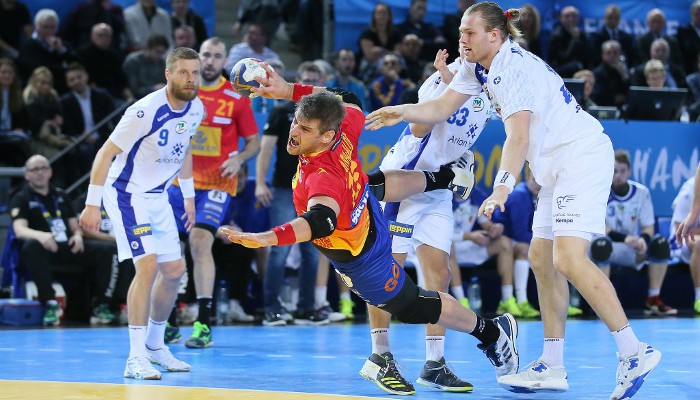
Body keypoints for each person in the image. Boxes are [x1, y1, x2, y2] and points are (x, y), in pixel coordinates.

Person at [365, 3, 660, 398]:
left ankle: (633, 351)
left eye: (470, 33)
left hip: (580, 155)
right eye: (460, 33)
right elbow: (440, 107)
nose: (461, 40)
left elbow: (516, 137)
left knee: (568, 257)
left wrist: (502, 187)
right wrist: (399, 111)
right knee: (540, 257)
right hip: (553, 166)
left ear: (494, 35)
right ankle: (552, 366)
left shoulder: (512, 67)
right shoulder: (474, 67)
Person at [226, 62, 519, 396]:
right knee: (370, 184)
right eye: (296, 121)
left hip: (363, 258)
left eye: (304, 128)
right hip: (364, 210)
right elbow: (347, 98)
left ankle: (491, 334)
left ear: (325, 136)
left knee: (415, 305)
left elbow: (320, 219)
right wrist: (287, 90)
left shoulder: (321, 178)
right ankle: (447, 178)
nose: (294, 132)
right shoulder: (344, 130)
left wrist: (268, 237)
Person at [367, 45, 492, 393]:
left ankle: (434, 363)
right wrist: (448, 85)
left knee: (439, 271)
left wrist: (466, 160)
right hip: (405, 180)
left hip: (438, 188)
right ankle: (381, 356)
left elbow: (460, 136)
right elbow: (420, 127)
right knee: (385, 272)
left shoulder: (489, 88)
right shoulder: (439, 79)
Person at [79, 47, 203, 380]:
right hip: (125, 194)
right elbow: (105, 154)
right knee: (147, 266)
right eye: (183, 72)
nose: (190, 79)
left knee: (175, 271)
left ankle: (154, 345)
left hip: (159, 196)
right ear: (168, 74)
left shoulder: (197, 108)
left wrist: (188, 197)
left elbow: (185, 148)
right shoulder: (144, 110)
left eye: (195, 73)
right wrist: (92, 204)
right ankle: (134, 358)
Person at [166, 37, 259, 348]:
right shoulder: (181, 92)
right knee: (168, 248)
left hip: (218, 185)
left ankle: (203, 323)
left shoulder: (237, 97)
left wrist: (240, 158)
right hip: (180, 183)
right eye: (206, 55)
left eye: (217, 56)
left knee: (200, 240)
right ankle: (167, 321)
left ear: (224, 61)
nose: (210, 61)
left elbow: (254, 142)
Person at [254, 62, 327, 326]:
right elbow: (265, 149)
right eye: (305, 79)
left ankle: (306, 309)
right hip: (285, 188)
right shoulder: (283, 111)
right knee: (279, 249)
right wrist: (260, 183)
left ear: (321, 83)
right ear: (298, 82)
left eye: (314, 80)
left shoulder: (328, 118)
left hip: (314, 191)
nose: (309, 85)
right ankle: (272, 309)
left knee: (312, 251)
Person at [10, 155, 116, 326]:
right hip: (44, 248)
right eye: (34, 169)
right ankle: (50, 304)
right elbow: (19, 229)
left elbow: (74, 226)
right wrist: (41, 236)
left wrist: (78, 236)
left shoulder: (60, 195)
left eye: (43, 168)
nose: (40, 173)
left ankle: (103, 304)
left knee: (108, 250)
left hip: (68, 246)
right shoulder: (21, 197)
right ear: (26, 174)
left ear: (50, 172)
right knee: (31, 246)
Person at [589, 149, 677, 316]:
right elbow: (599, 226)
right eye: (614, 171)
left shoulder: (641, 193)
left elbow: (648, 227)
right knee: (601, 245)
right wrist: (625, 237)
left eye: (622, 171)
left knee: (659, 244)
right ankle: (604, 304)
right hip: (605, 246)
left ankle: (653, 299)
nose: (618, 175)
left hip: (630, 249)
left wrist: (643, 240)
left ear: (629, 171)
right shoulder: (600, 191)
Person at [674, 163, 700, 314]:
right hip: (683, 239)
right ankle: (699, 298)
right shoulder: (689, 190)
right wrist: (694, 212)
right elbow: (681, 227)